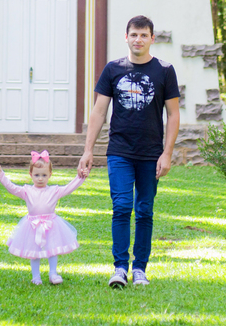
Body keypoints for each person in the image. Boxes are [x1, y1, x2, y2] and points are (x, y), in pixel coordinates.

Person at [77, 15, 180, 288]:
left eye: (144, 35)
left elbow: (173, 114)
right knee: (121, 207)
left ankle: (140, 269)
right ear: (126, 37)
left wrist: (167, 153)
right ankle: (120, 268)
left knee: (145, 210)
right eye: (134, 34)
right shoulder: (113, 69)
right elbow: (99, 111)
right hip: (119, 152)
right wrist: (88, 150)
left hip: (151, 154)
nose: (138, 40)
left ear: (152, 39)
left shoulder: (164, 70)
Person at [0, 150, 86, 285]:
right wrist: (0, 174)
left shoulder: (54, 191)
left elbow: (69, 188)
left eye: (44, 175)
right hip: (32, 225)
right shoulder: (26, 191)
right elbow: (11, 187)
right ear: (30, 174)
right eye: (37, 175)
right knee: (34, 251)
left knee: (53, 249)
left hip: (51, 224)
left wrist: (81, 178)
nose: (40, 178)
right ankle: (36, 276)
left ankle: (53, 273)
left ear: (50, 175)